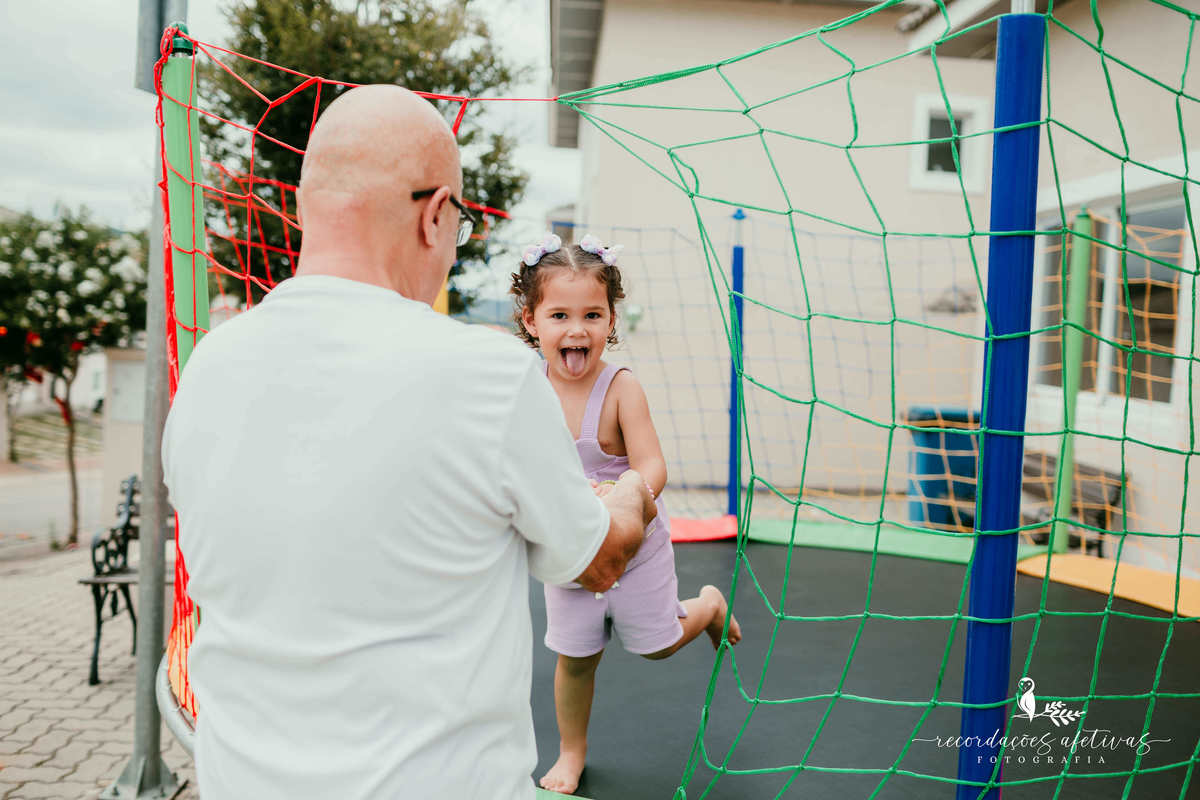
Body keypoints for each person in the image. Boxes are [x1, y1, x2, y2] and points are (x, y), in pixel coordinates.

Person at [161, 85, 656, 800]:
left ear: (304, 206)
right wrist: (631, 488)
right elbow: (600, 560)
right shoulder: (488, 374)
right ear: (434, 215)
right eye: (460, 224)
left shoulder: (206, 368)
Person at [510, 232, 743, 794]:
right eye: (560, 315)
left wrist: (625, 493)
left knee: (658, 645)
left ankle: (708, 605)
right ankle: (572, 752)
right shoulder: (526, 390)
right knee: (575, 658)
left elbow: (653, 464)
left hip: (634, 543)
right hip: (572, 549)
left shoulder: (620, 388)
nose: (577, 329)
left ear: (611, 319)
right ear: (531, 321)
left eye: (592, 315)